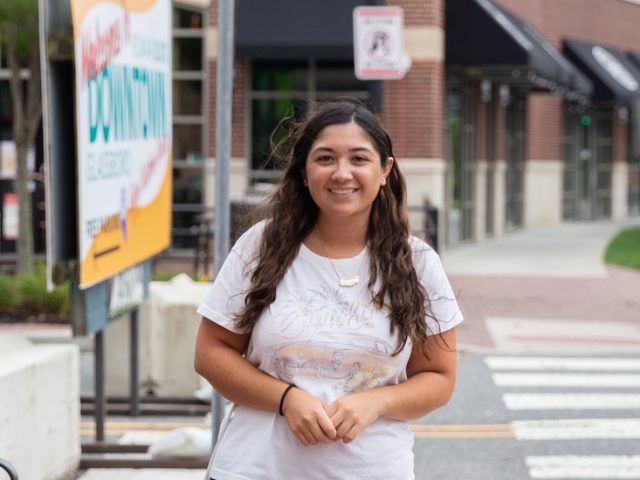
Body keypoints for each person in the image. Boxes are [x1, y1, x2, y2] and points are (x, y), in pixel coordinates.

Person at [194, 98, 463, 480]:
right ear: (304, 172)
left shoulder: (418, 262)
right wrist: (287, 400)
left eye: (358, 158)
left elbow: (439, 378)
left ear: (385, 169)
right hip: (255, 469)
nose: (341, 173)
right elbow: (210, 353)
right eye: (324, 159)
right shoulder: (261, 246)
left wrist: (377, 401)